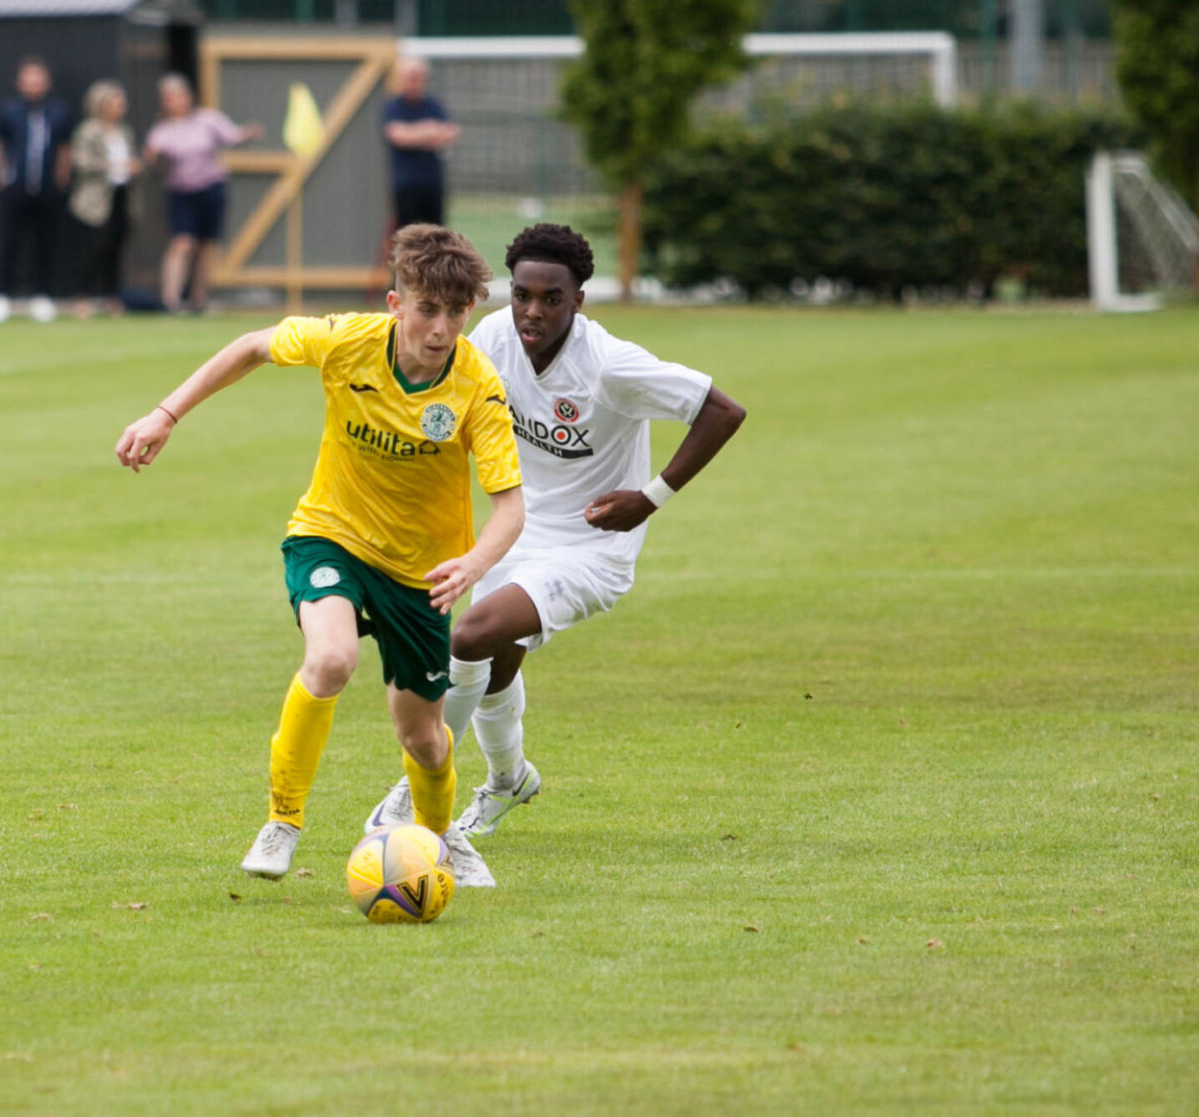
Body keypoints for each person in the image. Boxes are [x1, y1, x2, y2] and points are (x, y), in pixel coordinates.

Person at [114, 224, 525, 886]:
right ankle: (283, 820)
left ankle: (440, 832)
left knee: (420, 733)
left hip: (423, 573)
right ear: (396, 304)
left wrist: (473, 564)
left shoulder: (477, 384)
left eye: (456, 312)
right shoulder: (349, 340)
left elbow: (511, 507)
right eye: (427, 309)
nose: (441, 328)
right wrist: (166, 413)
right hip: (329, 533)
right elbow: (252, 345)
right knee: (331, 658)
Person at [365, 223, 746, 840]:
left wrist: (649, 498)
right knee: (497, 664)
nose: (532, 312)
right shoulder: (493, 336)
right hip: (516, 531)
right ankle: (509, 780)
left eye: (551, 298)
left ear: (579, 301)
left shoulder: (611, 366)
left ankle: (415, 789)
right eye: (521, 295)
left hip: (592, 548)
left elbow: (723, 411)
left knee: (469, 636)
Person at [144, 73, 262, 314]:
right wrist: (154, 157)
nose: (173, 102)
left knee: (206, 245)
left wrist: (248, 134)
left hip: (211, 188)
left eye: (177, 96)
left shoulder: (208, 120)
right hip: (180, 191)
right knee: (182, 243)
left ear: (188, 97)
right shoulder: (162, 130)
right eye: (168, 98)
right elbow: (153, 160)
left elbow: (232, 136)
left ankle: (199, 299)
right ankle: (171, 300)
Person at [0, 55, 72, 324]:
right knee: (10, 243)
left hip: (45, 188)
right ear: (20, 82)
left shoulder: (57, 112)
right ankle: (1, 296)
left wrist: (61, 180)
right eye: (28, 79)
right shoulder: (9, 111)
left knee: (44, 244)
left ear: (46, 82)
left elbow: (64, 150)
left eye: (38, 79)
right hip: (16, 187)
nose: (33, 85)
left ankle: (41, 296)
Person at [69, 80, 141, 319]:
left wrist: (134, 167)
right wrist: (113, 165)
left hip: (121, 195)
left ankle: (112, 297)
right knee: (92, 249)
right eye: (116, 102)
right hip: (95, 199)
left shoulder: (125, 131)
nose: (121, 106)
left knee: (115, 248)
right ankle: (82, 298)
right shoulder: (88, 131)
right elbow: (81, 162)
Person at [382, 57, 459, 229]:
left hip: (432, 183)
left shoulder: (433, 105)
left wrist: (415, 134)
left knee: (437, 234)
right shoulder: (394, 106)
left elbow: (451, 133)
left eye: (418, 77)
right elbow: (397, 135)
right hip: (405, 185)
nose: (414, 82)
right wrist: (430, 130)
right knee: (406, 234)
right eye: (410, 77)